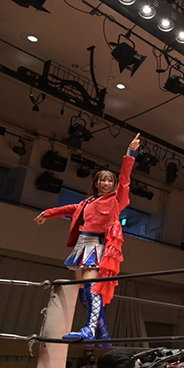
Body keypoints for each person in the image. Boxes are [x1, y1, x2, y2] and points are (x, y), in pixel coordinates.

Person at [35, 134, 141, 342]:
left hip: (97, 247)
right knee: (84, 294)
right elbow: (67, 209)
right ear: (96, 182)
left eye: (109, 180)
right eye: (102, 179)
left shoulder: (116, 201)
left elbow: (125, 180)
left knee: (93, 289)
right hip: (81, 247)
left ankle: (90, 330)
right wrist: (46, 213)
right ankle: (103, 332)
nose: (105, 183)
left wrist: (130, 154)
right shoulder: (87, 203)